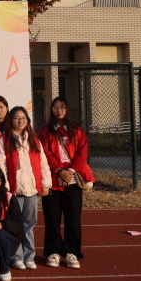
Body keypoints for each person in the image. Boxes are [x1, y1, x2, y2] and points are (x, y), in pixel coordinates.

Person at [39, 97, 95, 269]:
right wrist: (59, 171)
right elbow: (45, 154)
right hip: (53, 180)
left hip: (72, 180)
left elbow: (81, 154)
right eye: (55, 107)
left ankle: (72, 252)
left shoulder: (77, 131)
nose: (59, 110)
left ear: (67, 109)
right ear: (51, 110)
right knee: (52, 219)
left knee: (73, 219)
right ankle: (53, 252)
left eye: (62, 107)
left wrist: (69, 172)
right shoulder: (45, 131)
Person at [0, 106, 51, 270]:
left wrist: (45, 183)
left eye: (23, 118)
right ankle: (17, 256)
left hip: (32, 190)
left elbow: (43, 163)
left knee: (30, 224)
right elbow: (0, 164)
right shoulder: (5, 139)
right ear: (11, 120)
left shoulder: (34, 140)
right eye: (16, 118)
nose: (20, 121)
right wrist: (5, 188)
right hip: (14, 191)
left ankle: (29, 256)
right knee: (16, 224)